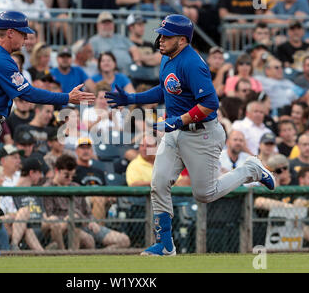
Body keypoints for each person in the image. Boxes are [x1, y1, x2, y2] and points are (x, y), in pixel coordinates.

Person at [105, 14, 276, 256]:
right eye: (161, 34)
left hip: (201, 134)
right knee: (159, 183)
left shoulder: (192, 63)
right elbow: (165, 88)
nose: (160, 39)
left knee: (204, 194)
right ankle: (165, 244)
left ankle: (252, 170)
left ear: (182, 40)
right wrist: (132, 99)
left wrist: (179, 120)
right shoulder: (168, 58)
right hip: (176, 132)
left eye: (166, 35)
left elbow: (210, 104)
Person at [0, 11, 95, 258]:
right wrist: (66, 98)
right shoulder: (1, 58)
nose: (26, 39)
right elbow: (26, 93)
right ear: (10, 32)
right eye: (22, 33)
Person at [44, 154, 130, 249]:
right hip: (64, 228)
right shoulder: (48, 188)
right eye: (66, 175)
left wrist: (91, 221)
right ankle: (65, 254)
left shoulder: (76, 187)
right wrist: (69, 218)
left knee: (124, 240)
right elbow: (50, 216)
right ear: (57, 171)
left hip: (85, 224)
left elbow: (86, 211)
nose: (70, 179)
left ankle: (98, 257)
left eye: (72, 175)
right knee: (87, 239)